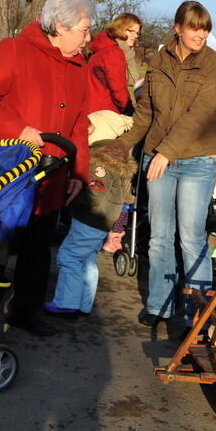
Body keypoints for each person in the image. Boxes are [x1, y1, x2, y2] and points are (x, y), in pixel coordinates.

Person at [0, 0, 94, 336]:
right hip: (9, 171)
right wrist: (18, 130)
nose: (88, 37)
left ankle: (25, 311)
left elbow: (80, 122)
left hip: (53, 175)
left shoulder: (79, 65)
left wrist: (78, 172)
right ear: (60, 26)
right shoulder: (16, 50)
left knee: (39, 248)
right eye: (83, 29)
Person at [114, 1, 216, 333]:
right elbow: (147, 111)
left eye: (205, 28)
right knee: (160, 236)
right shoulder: (158, 61)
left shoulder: (214, 65)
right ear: (177, 28)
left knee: (191, 238)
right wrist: (118, 146)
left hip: (195, 160)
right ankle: (159, 304)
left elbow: (200, 115)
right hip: (157, 159)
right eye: (194, 27)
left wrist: (166, 153)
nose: (200, 34)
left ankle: (197, 312)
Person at [44, 112, 136, 316]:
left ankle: (66, 303)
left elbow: (95, 190)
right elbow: (127, 199)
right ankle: (84, 303)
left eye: (89, 128)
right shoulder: (121, 159)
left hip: (89, 218)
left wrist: (74, 199)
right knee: (87, 260)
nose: (85, 132)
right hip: (104, 221)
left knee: (69, 256)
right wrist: (118, 227)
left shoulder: (97, 159)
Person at [85, 13, 142, 115]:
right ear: (120, 28)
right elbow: (118, 90)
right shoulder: (113, 53)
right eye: (131, 31)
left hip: (94, 110)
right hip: (104, 113)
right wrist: (130, 111)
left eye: (137, 33)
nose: (135, 36)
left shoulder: (105, 48)